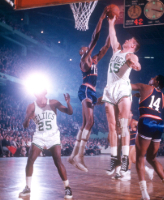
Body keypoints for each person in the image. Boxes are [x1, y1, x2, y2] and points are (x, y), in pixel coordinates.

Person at [68, 8, 111, 172]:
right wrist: (101, 17)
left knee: (86, 123)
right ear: (82, 52)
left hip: (92, 92)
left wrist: (113, 26)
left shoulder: (94, 61)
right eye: (84, 48)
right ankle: (80, 156)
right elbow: (95, 38)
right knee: (90, 122)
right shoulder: (84, 60)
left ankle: (73, 156)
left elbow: (106, 46)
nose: (86, 48)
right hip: (85, 90)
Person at [102, 15, 141, 176]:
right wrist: (111, 22)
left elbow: (136, 62)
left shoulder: (131, 55)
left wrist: (136, 65)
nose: (126, 40)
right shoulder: (117, 50)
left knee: (123, 124)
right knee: (112, 127)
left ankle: (125, 157)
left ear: (133, 45)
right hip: (109, 89)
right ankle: (114, 158)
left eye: (129, 40)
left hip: (123, 89)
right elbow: (113, 35)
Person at [19, 89, 73, 198]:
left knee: (58, 162)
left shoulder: (53, 103)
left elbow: (69, 112)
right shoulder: (31, 106)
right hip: (39, 136)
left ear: (44, 92)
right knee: (30, 160)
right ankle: (27, 188)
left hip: (53, 136)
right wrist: (28, 119)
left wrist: (68, 103)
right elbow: (25, 125)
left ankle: (67, 188)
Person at [131, 75, 164, 200]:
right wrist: (141, 95)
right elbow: (155, 105)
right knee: (152, 158)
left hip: (146, 121)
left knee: (140, 158)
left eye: (153, 77)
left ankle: (145, 195)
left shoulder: (144, 87)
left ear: (156, 81)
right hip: (159, 124)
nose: (150, 78)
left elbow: (126, 86)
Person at [116, 111, 154, 181]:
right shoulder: (125, 123)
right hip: (129, 143)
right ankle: (149, 170)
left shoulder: (134, 122)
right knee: (134, 160)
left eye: (129, 112)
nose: (128, 113)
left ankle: (128, 175)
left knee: (128, 158)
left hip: (135, 143)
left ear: (132, 115)